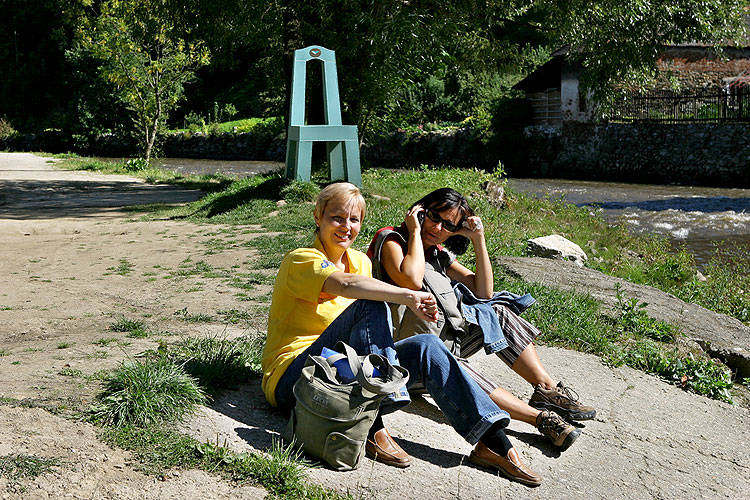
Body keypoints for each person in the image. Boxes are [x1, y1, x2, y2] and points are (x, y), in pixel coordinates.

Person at [261, 182, 543, 486]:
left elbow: (482, 291)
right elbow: (344, 285)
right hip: (295, 377)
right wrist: (407, 296)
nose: (346, 227)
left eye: (353, 220)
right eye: (336, 218)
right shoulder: (300, 259)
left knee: (427, 345)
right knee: (371, 303)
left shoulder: (360, 261)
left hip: (342, 374)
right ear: (318, 217)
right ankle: (377, 414)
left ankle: (493, 442)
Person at [367, 187, 596, 449]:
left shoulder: (437, 254)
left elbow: (483, 291)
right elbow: (410, 278)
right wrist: (416, 232)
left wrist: (478, 238)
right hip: (412, 360)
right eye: (433, 216)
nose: (438, 228)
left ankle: (546, 390)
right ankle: (540, 419)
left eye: (449, 225)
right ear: (419, 211)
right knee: (454, 363)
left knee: (497, 312)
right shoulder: (392, 241)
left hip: (449, 344)